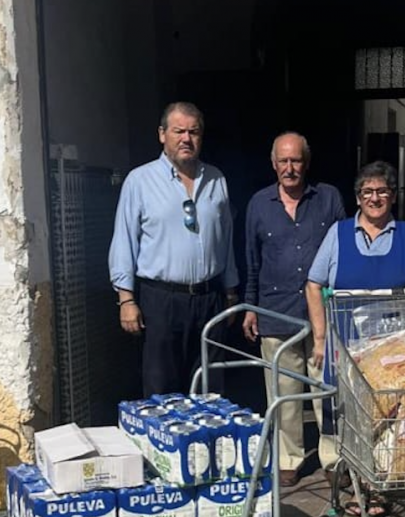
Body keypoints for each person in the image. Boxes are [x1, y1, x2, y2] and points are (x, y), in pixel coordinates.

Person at [306, 161, 405, 516]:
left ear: (393, 196)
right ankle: (352, 489)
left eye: (382, 191)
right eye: (367, 192)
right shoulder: (337, 234)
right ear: (357, 197)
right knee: (345, 421)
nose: (375, 198)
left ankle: (379, 487)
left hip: (389, 349)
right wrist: (320, 338)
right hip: (346, 346)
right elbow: (314, 283)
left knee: (385, 419)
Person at [109, 102, 238, 397]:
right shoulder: (140, 181)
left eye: (193, 132)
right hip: (161, 301)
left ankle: (205, 443)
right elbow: (124, 240)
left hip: (209, 298)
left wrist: (231, 293)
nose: (186, 139)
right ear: (162, 135)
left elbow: (226, 239)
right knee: (161, 388)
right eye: (178, 131)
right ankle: (162, 444)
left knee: (209, 387)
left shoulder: (217, 179)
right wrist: (126, 300)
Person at [243, 132, 346, 487]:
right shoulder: (258, 204)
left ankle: (333, 457)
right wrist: (250, 306)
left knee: (327, 390)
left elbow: (342, 252)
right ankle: (289, 457)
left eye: (296, 160)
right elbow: (251, 260)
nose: (290, 168)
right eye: (283, 161)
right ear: (274, 165)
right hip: (276, 309)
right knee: (284, 392)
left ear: (306, 162)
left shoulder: (328, 197)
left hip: (322, 313)